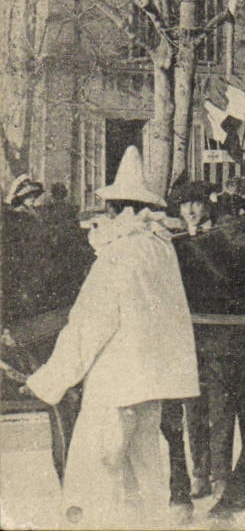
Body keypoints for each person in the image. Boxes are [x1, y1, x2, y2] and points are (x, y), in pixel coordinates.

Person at [23, 146, 199, 526]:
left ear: (119, 210)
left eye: (108, 208)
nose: (104, 215)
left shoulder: (117, 254)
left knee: (96, 484)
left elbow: (87, 326)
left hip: (115, 390)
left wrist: (47, 380)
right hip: (151, 390)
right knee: (147, 481)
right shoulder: (160, 250)